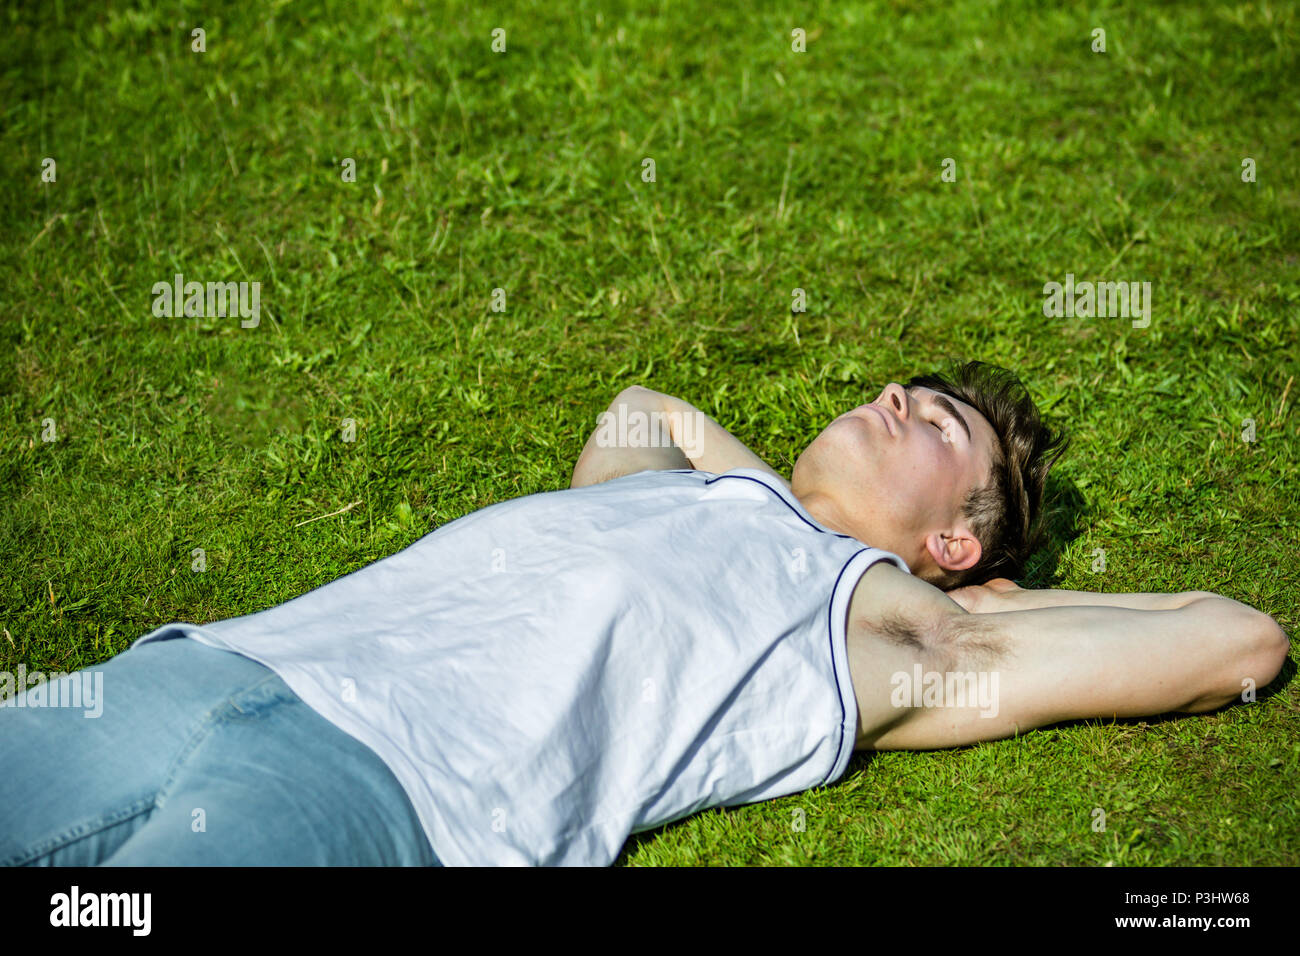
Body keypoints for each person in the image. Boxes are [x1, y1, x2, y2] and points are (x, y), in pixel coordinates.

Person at [0, 361, 1288, 866]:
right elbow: (642, 408)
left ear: (953, 541)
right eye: (906, 385)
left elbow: (1237, 638)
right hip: (208, 670)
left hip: (380, 793)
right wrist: (762, 489)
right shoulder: (681, 497)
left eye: (935, 421)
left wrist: (988, 596)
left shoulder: (882, 635)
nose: (897, 392)